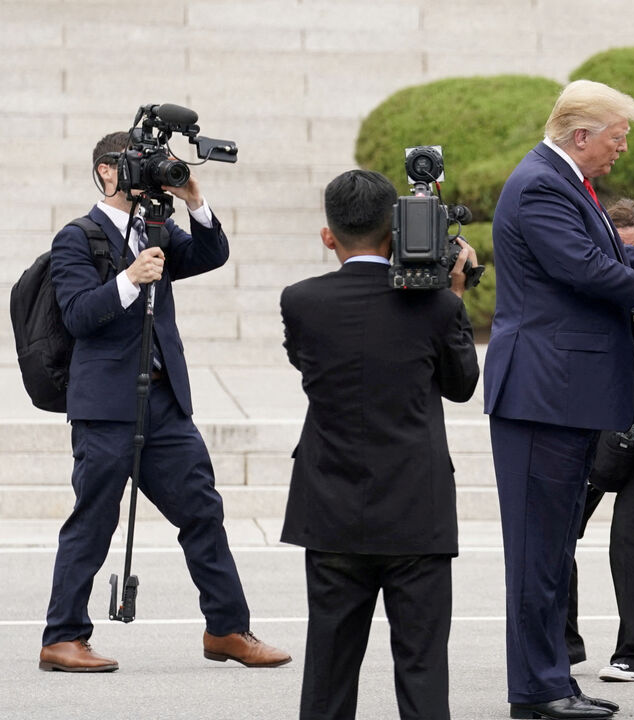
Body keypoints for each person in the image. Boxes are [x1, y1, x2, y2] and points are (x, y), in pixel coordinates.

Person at [484, 80, 634, 720]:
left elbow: (619, 256)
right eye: (617, 136)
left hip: (562, 393)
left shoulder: (565, 182)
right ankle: (539, 690)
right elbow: (584, 267)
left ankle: (554, 681)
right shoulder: (542, 184)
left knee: (552, 550)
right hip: (541, 393)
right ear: (582, 135)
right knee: (537, 551)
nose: (622, 148)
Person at [40, 131, 289, 672]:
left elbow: (211, 254)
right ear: (107, 172)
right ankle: (62, 637)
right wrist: (130, 278)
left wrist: (194, 200)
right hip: (105, 407)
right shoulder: (76, 238)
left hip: (164, 403)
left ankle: (227, 628)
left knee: (203, 510)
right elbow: (79, 315)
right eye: (135, 165)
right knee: (93, 520)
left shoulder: (157, 228)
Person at [279, 170, 480, 720]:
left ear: (328, 235)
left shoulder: (300, 301)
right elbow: (462, 387)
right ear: (395, 231)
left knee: (328, 668)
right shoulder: (437, 306)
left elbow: (307, 366)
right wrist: (452, 294)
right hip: (418, 510)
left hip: (331, 506)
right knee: (421, 667)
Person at [563, 199, 634, 684]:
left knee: (631, 544)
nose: (625, 264)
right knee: (556, 535)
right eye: (616, 253)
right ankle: (560, 643)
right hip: (588, 430)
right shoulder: (584, 284)